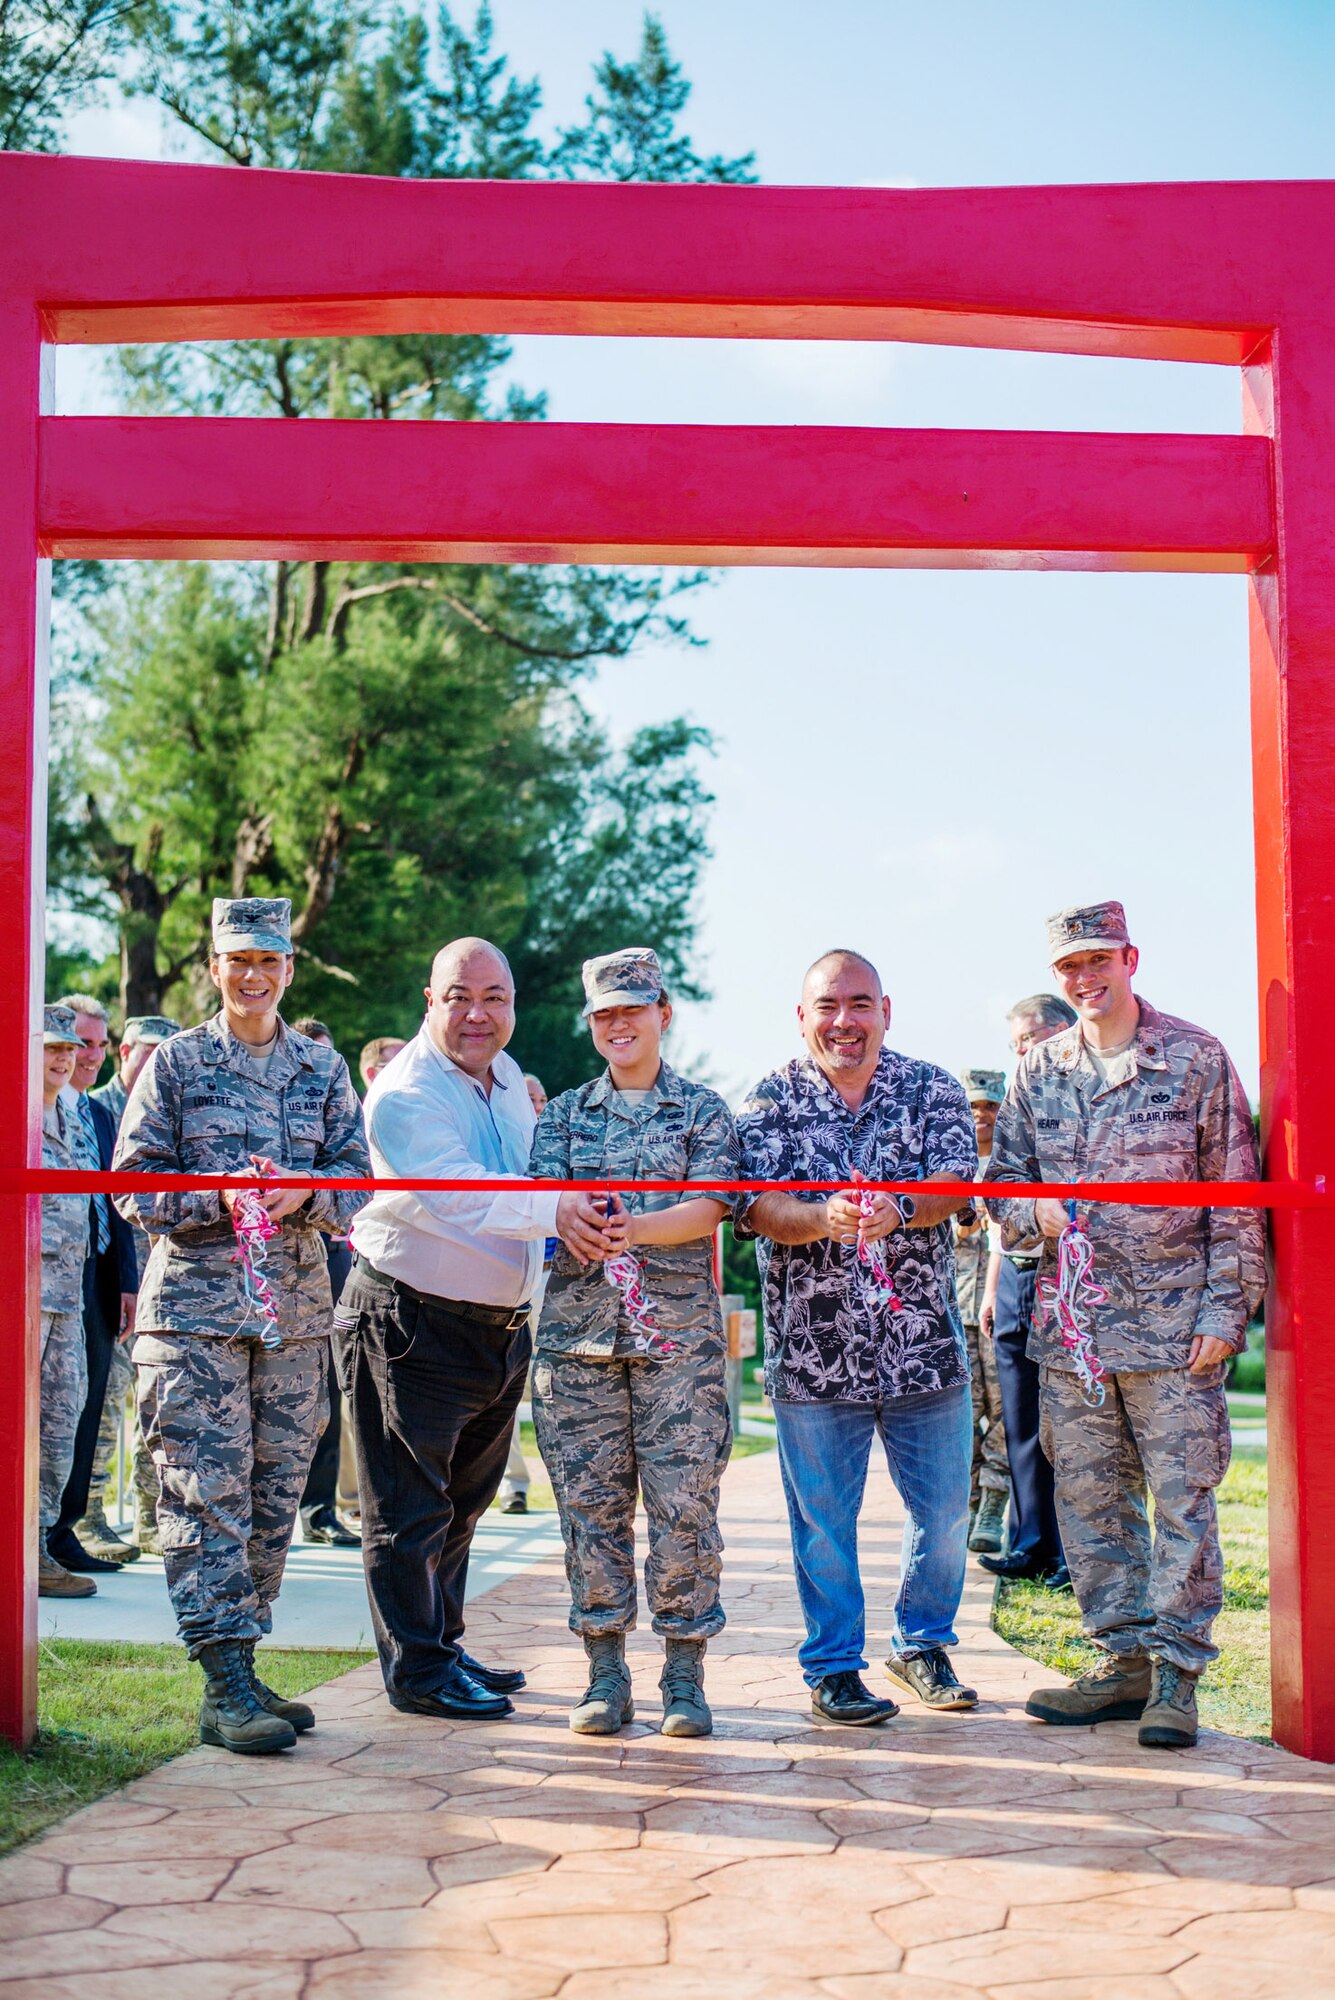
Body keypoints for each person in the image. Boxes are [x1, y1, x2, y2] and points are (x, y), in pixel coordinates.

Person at [985, 901, 1265, 1750]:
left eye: (1097, 959)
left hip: (1175, 1331)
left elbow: (1237, 1197)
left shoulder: (1193, 1058)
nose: (1084, 977)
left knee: (1181, 1502)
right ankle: (1124, 1662)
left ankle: (1176, 1675)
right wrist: (1035, 1218)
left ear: (1129, 959)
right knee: (1089, 1504)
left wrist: (1225, 1310)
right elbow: (1003, 1190)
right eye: (1068, 966)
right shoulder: (1038, 1070)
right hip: (1072, 1335)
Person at [113, 898, 371, 1755]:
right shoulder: (179, 1062)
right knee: (203, 1495)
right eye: (238, 961)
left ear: (288, 969)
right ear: (215, 969)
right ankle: (223, 1678)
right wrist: (218, 1194)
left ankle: (244, 1661)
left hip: (292, 1319)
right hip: (195, 1320)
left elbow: (358, 1178)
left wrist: (307, 1192)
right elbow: (132, 1184)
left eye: (268, 960)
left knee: (272, 1498)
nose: (253, 976)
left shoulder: (322, 1067)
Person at [339, 938, 619, 1721]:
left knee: (462, 1506)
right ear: (429, 1001)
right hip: (409, 1321)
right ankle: (418, 1674)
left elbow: (528, 1181)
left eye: (495, 997)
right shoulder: (405, 1092)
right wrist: (558, 1209)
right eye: (459, 996)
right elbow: (462, 1192)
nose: (477, 1014)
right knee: (409, 1510)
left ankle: (443, 1646)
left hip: (497, 1329)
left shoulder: (505, 1081)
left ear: (513, 1006)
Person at [738, 949, 978, 1727]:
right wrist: (822, 1217)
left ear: (885, 1011)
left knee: (944, 1516)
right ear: (801, 1017)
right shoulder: (768, 1099)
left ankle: (923, 1646)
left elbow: (955, 1184)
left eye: (859, 1004)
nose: (844, 1021)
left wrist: (899, 1207)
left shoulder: (932, 1088)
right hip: (812, 1359)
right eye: (828, 1005)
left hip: (923, 1350)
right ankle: (834, 1667)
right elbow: (756, 1208)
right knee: (822, 1526)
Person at [529, 949, 737, 1738]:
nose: (618, 1025)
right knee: (590, 1512)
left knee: (684, 1511)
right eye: (604, 1014)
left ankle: (684, 1675)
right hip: (578, 1344)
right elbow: (544, 1201)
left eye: (632, 1010)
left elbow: (711, 1205)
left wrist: (631, 1229)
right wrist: (576, 1222)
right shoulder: (563, 1115)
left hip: (677, 1348)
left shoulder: (701, 1111)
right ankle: (604, 1672)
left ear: (662, 1015)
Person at [976, 992, 1076, 1586]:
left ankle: (1075, 1553)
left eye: (1030, 1041)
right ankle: (1032, 1543)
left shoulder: (1083, 1095)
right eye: (1015, 1045)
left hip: (1071, 1276)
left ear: (1063, 1034)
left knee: (1075, 1420)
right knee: (1021, 1418)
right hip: (1016, 1270)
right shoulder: (1018, 1103)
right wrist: (993, 1289)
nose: (1021, 1054)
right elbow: (1000, 1206)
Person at [47, 995, 140, 1581]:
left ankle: (65, 1530)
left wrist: (126, 1282)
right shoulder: (34, 1110)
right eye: (78, 1044)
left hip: (99, 1277)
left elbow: (118, 1203)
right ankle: (42, 1534)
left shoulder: (99, 1117)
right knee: (53, 1409)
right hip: (53, 1278)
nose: (88, 1056)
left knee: (85, 1403)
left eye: (96, 1045)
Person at [82, 1014, 181, 1563]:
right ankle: (88, 1513)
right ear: (125, 1052)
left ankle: (149, 1515)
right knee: (105, 1402)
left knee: (160, 1403)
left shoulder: (171, 1107)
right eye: (148, 1051)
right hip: (116, 1285)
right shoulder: (97, 1109)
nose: (156, 1062)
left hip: (165, 1282)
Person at [292, 1017, 362, 1549]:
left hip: (334, 1258)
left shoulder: (340, 1108)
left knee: (332, 1389)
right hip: (277, 1260)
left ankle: (319, 1508)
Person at [37, 1007, 95, 1599]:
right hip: (25, 1298)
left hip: (68, 1297)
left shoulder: (72, 1117)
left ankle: (36, 1547)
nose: (63, 1058)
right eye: (51, 1048)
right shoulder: (17, 1119)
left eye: (69, 1049)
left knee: (60, 1425)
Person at [954, 1069, 1010, 1555]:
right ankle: (968, 1504)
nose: (981, 1115)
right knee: (961, 1415)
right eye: (973, 1105)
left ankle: (994, 1501)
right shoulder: (947, 1164)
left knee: (1005, 1412)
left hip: (1000, 1305)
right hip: (953, 1307)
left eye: (990, 1105)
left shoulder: (1011, 1164)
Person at [499, 1072, 551, 1516]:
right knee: (508, 1385)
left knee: (554, 1381)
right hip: (513, 1276)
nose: (536, 1105)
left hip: (556, 1278)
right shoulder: (505, 1145)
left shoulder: (560, 1143)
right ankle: (513, 1485)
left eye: (542, 1098)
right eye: (528, 1097)